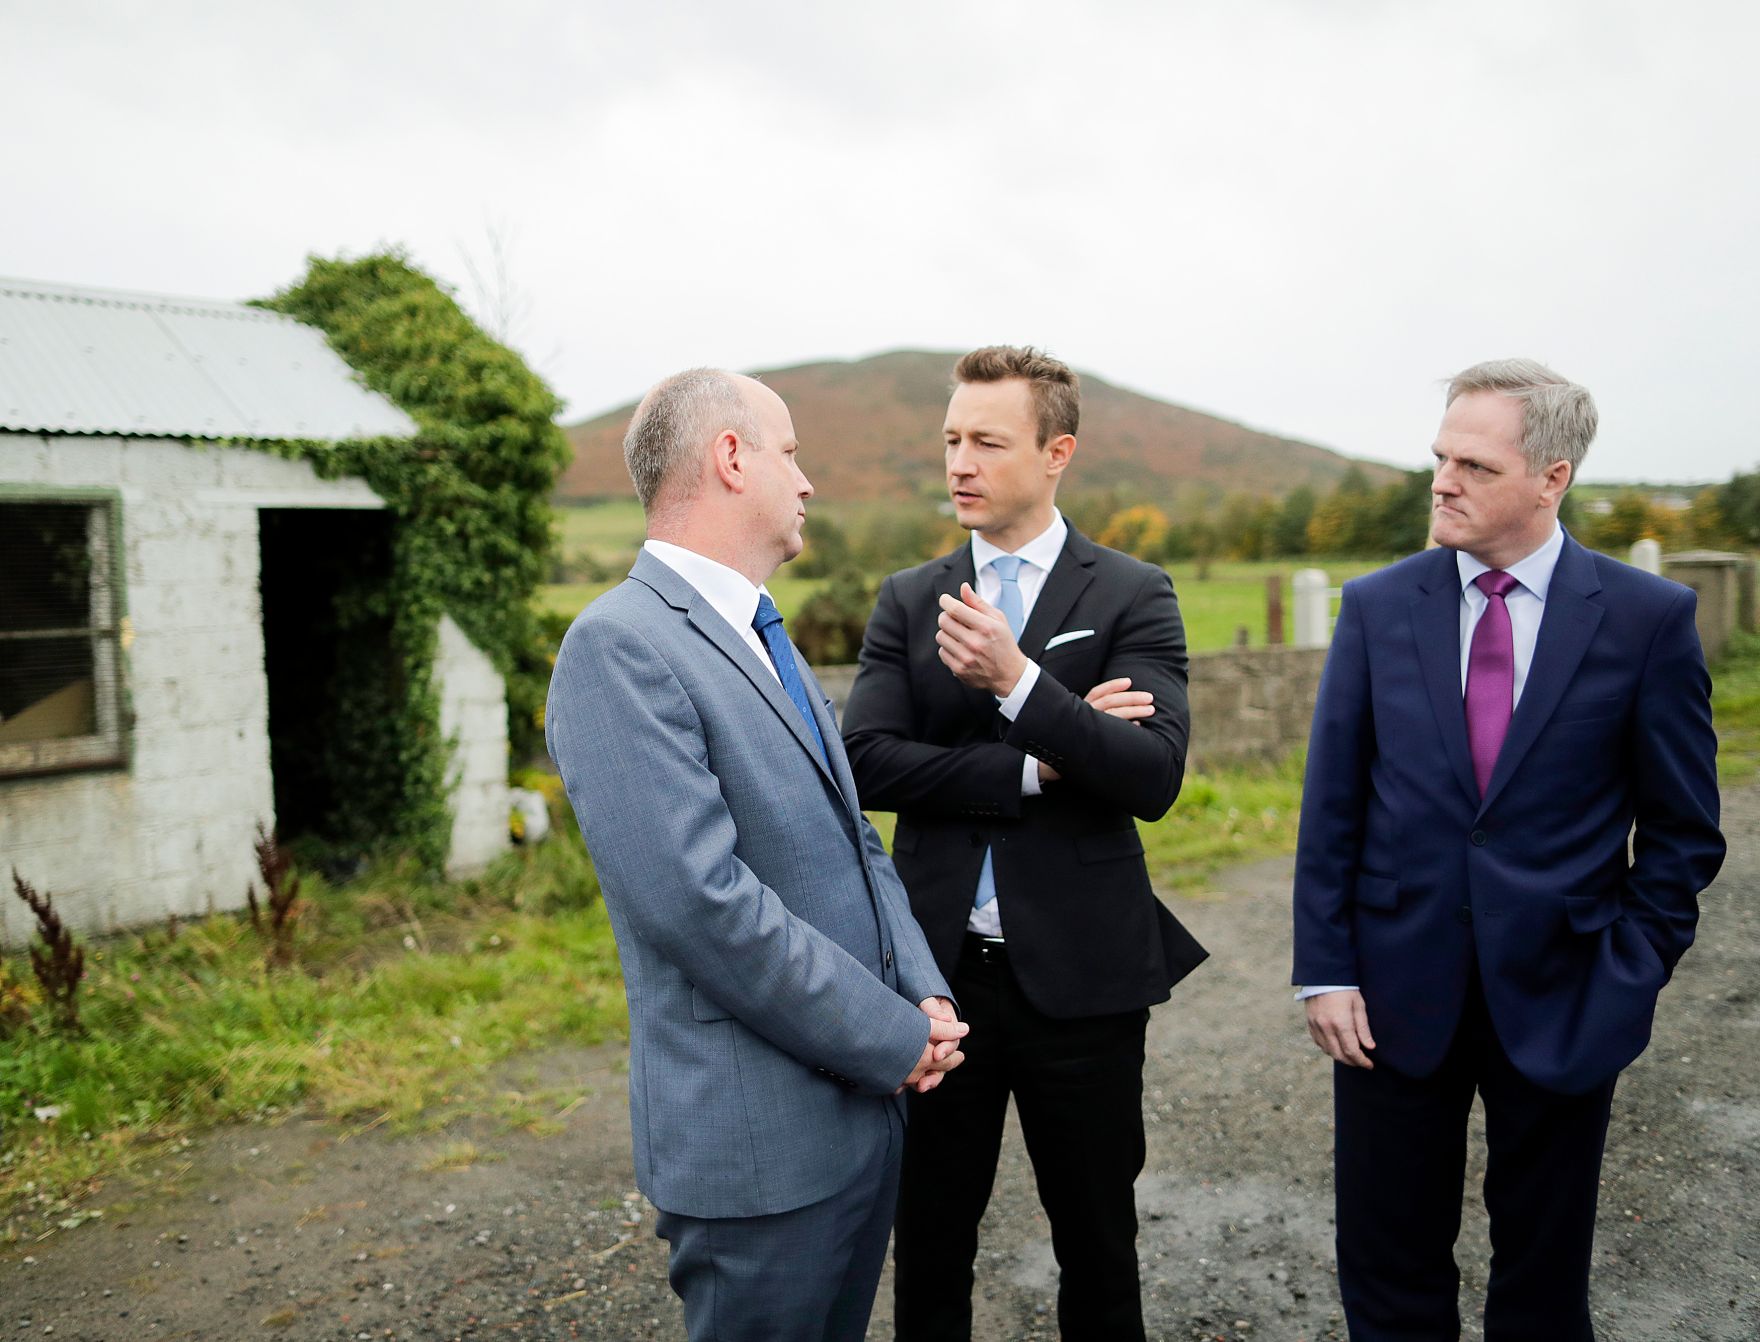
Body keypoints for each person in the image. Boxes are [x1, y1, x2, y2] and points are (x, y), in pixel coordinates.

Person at [1292, 358, 1725, 1341]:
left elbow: (1682, 831)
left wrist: (1630, 968)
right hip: (1389, 994)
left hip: (1567, 990)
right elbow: (1331, 807)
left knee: (1542, 1283)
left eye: (1475, 466)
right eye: (1440, 457)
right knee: (1388, 1270)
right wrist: (1325, 969)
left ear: (1551, 478)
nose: (1442, 481)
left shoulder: (1645, 620)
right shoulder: (1377, 606)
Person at [546, 368, 968, 1342]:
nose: (806, 480)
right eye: (789, 452)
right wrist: (890, 1037)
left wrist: (921, 990)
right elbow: (701, 904)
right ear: (731, 458)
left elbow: (855, 838)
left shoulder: (759, 631)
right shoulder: (618, 646)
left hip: (855, 1118)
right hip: (759, 1148)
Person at [842, 345, 1207, 1341]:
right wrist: (1041, 765)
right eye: (951, 439)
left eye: (987, 442)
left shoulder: (1132, 592)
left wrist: (1017, 685)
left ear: (1056, 453)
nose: (959, 462)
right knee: (928, 1244)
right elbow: (865, 764)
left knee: (1097, 1243)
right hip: (935, 979)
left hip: (1085, 976)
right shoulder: (908, 597)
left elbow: (1150, 776)